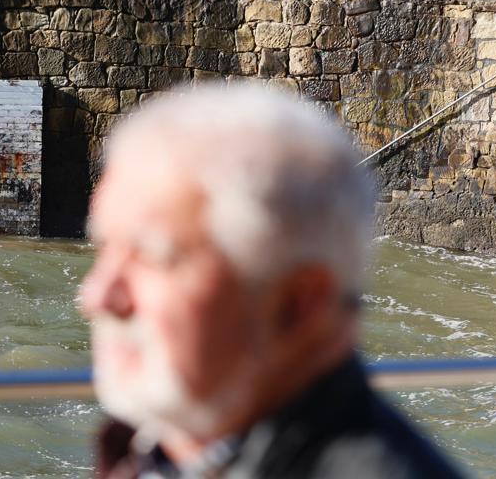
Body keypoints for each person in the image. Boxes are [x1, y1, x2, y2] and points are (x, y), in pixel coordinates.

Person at [80, 82, 465, 479]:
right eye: (104, 247)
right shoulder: (156, 448)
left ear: (299, 304)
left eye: (151, 258)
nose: (96, 296)